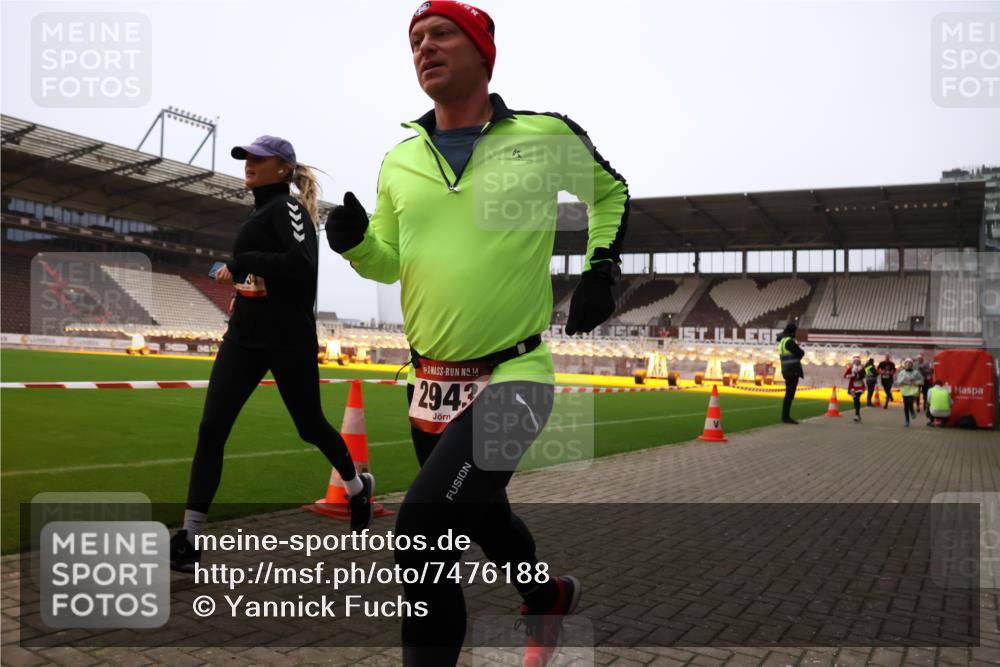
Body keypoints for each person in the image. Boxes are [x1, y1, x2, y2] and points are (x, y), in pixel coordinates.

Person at [325, 3, 628, 664]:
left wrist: (602, 267)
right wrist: (354, 246)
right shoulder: (400, 159)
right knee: (484, 513)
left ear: (483, 51)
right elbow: (389, 257)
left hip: (514, 377)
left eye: (440, 34)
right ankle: (545, 595)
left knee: (423, 531)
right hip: (429, 385)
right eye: (414, 40)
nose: (424, 47)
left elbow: (611, 193)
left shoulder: (546, 135)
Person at [169, 136, 374, 573]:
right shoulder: (259, 212)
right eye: (246, 158)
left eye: (258, 159)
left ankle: (357, 488)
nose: (248, 164)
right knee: (211, 429)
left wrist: (243, 260)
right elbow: (260, 269)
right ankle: (189, 538)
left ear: (282, 168)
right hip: (243, 337)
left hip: (287, 339)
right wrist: (239, 272)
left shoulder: (289, 209)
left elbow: (300, 264)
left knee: (310, 426)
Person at [777, 323, 805, 424]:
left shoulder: (782, 342)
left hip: (786, 370)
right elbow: (800, 353)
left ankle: (785, 416)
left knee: (788, 394)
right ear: (792, 332)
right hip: (792, 370)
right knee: (789, 395)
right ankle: (786, 417)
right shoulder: (789, 341)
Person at [896, 358, 923, 427]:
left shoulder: (916, 372)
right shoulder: (902, 372)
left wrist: (915, 382)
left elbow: (922, 381)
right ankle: (907, 420)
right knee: (906, 406)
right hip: (905, 390)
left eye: (909, 363)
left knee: (910, 402)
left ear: (912, 364)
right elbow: (898, 381)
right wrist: (904, 380)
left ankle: (911, 410)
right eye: (906, 363)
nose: (908, 364)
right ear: (904, 365)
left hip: (913, 390)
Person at [844, 355, 866, 422]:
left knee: (857, 398)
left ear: (859, 361)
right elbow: (845, 375)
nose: (856, 362)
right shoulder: (851, 368)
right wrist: (851, 375)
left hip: (859, 386)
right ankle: (858, 414)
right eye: (855, 361)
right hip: (852, 387)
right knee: (855, 400)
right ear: (853, 361)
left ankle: (856, 414)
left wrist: (859, 375)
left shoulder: (862, 368)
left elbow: (864, 375)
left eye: (857, 361)